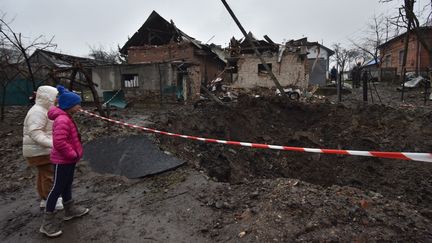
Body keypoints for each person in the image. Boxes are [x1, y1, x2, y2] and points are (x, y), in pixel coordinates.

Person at [40, 85, 89, 237]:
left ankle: (69, 210)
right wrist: (72, 153)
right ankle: (47, 223)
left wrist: (73, 155)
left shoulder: (67, 117)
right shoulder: (62, 120)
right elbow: (59, 142)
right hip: (63, 161)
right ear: (69, 106)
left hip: (69, 159)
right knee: (57, 189)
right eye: (77, 104)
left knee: (67, 184)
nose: (80, 106)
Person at [23, 86, 64, 211]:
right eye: (55, 97)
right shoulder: (37, 112)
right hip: (39, 150)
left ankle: (44, 198)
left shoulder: (44, 109)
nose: (57, 99)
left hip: (39, 149)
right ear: (48, 97)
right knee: (49, 175)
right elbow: (35, 133)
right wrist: (53, 143)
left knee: (43, 174)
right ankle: (51, 199)